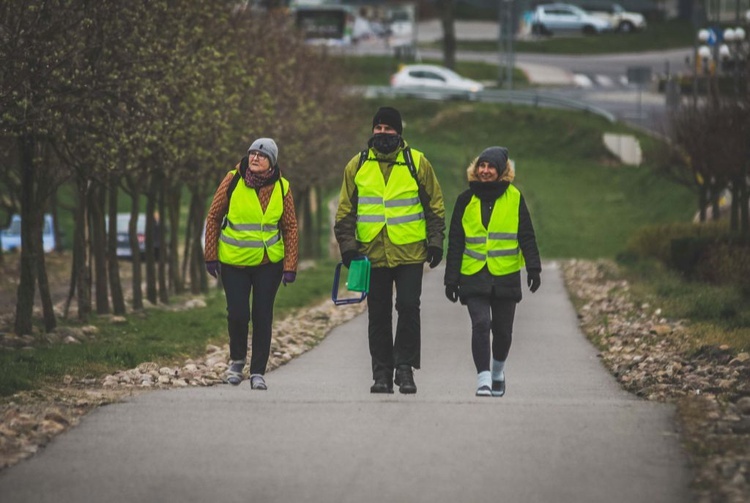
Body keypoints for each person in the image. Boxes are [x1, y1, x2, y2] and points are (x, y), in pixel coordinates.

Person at [335, 106, 446, 394]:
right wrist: (347, 248)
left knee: (409, 308)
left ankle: (405, 369)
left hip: (409, 252)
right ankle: (382, 373)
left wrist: (435, 241)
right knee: (378, 315)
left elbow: (435, 205)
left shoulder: (417, 163)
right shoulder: (357, 165)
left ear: (399, 132)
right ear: (372, 131)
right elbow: (345, 211)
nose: (383, 133)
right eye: (379, 128)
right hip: (371, 254)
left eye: (389, 128)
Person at [443, 146, 541, 397]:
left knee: (503, 332)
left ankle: (498, 372)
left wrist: (533, 268)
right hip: (473, 273)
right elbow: (456, 241)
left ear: (501, 171)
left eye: (490, 167)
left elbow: (526, 235)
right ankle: (483, 379)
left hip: (505, 275)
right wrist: (451, 279)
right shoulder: (465, 200)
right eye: (481, 166)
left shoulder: (515, 198)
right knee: (481, 323)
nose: (485, 171)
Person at [204, 138, 299, 390]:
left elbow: (289, 227)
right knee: (238, 314)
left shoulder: (282, 187)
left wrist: (290, 265)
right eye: (252, 153)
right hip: (234, 261)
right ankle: (236, 361)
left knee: (262, 315)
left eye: (262, 155)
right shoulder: (233, 179)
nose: (255, 158)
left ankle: (258, 371)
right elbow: (214, 216)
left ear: (272, 162)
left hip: (269, 263)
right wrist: (210, 254)